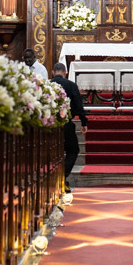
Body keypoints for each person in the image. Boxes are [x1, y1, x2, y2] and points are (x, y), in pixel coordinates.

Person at [52, 62, 88, 193]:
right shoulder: (71, 85)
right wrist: (84, 123)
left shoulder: (47, 85)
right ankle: (62, 177)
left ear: (52, 72)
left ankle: (52, 179)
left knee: (51, 152)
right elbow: (79, 106)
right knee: (72, 150)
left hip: (49, 125)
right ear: (65, 72)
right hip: (66, 124)